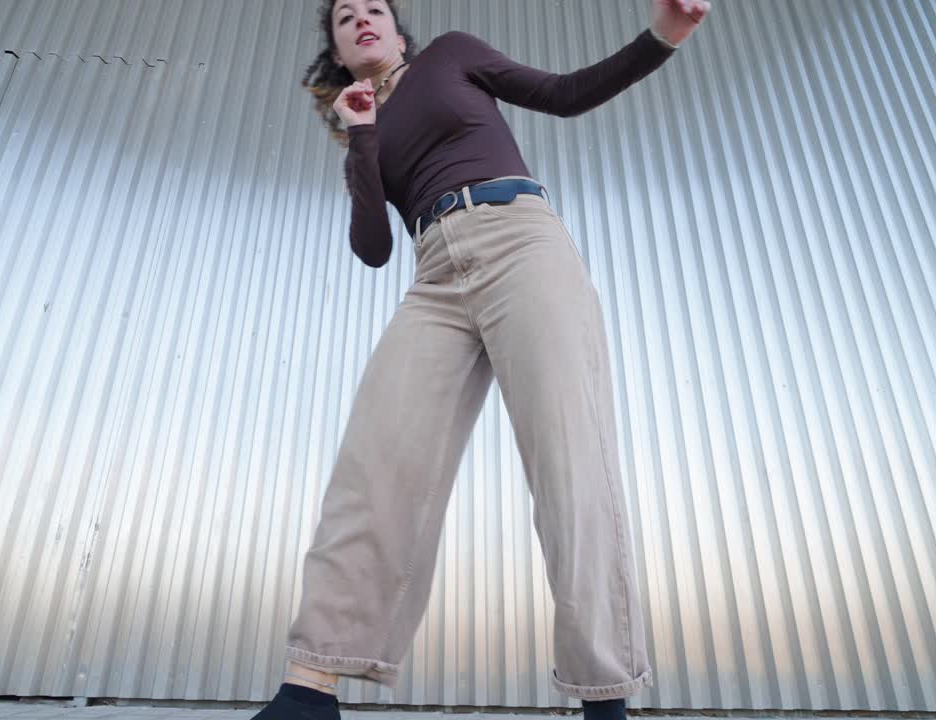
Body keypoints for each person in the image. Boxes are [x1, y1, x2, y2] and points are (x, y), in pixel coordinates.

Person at [252, 1, 709, 719]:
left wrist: (666, 35)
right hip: (434, 275)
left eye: (376, 7)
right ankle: (309, 691)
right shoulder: (359, 127)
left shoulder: (452, 56)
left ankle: (605, 695)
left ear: (401, 33)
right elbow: (373, 246)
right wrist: (363, 133)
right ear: (338, 50)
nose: (363, 17)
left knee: (569, 462)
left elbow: (564, 95)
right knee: (374, 463)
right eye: (346, 16)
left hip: (520, 241)